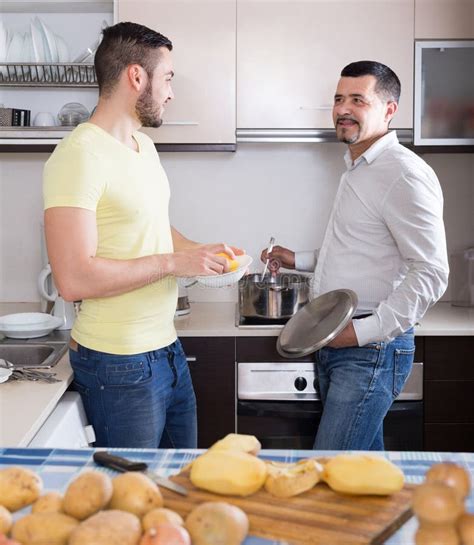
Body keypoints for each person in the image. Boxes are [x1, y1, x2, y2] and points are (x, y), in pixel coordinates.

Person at [43, 22, 242, 449]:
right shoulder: (77, 157)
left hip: (166, 349)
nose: (170, 92)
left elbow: (151, 226)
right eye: (167, 78)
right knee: (131, 497)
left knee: (176, 485)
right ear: (137, 77)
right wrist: (174, 263)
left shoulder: (142, 147)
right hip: (117, 362)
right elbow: (73, 279)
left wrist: (199, 251)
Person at [261, 60, 449, 450]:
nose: (343, 109)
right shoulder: (359, 168)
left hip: (369, 348)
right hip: (339, 339)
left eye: (358, 100)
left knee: (331, 468)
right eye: (338, 99)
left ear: (389, 110)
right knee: (360, 475)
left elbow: (430, 272)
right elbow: (358, 249)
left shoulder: (402, 173)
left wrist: (357, 334)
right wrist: (298, 258)